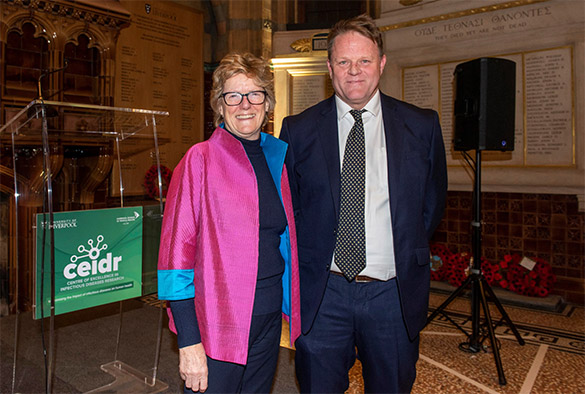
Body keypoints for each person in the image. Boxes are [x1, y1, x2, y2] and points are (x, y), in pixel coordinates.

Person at [279, 14, 447, 393]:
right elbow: (293, 211)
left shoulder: (421, 126)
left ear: (382, 63)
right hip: (323, 297)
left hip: (393, 295)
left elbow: (431, 205)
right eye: (343, 61)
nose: (354, 71)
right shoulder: (298, 129)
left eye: (364, 60)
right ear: (329, 67)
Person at [158, 52, 301, 393]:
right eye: (233, 96)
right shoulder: (200, 160)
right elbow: (175, 260)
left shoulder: (276, 160)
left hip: (267, 323)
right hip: (217, 326)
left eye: (255, 94)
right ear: (219, 107)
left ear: (268, 103)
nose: (245, 105)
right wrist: (189, 342)